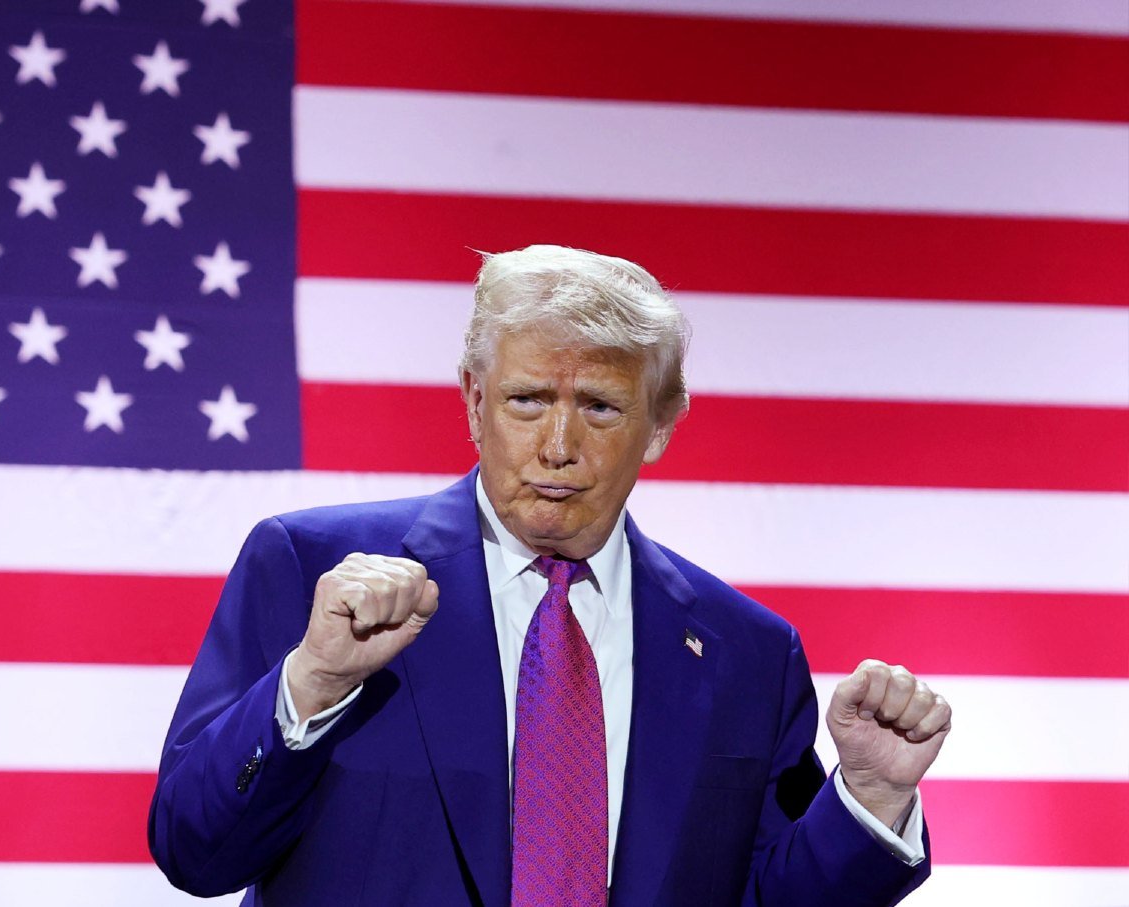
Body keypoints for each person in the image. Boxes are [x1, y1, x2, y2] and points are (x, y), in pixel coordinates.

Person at [149, 245, 952, 906]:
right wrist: (312, 680)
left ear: (663, 424)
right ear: (473, 400)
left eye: (600, 406)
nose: (558, 444)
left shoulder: (747, 652)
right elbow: (195, 849)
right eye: (527, 399)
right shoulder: (312, 570)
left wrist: (871, 797)